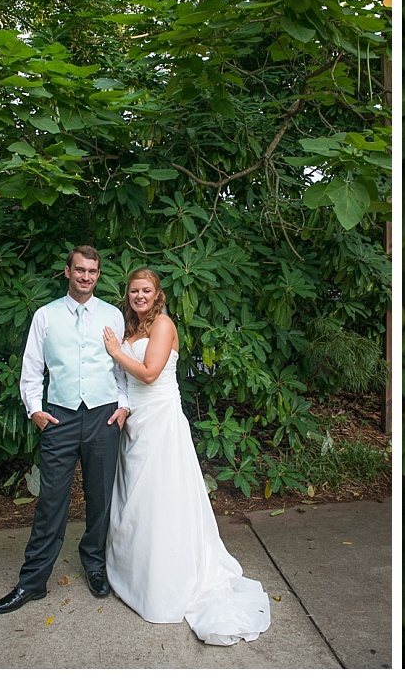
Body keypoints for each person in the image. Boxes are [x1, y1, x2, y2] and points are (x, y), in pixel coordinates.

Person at [101, 268, 271, 646]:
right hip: (135, 424)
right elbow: (125, 381)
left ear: (158, 293)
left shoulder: (162, 325)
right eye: (133, 291)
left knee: (163, 500)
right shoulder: (131, 328)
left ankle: (168, 583)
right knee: (136, 501)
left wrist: (115, 351)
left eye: (146, 290)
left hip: (161, 420)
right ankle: (133, 576)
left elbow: (148, 373)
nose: (139, 296)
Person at [0, 245, 129, 614]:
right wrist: (35, 410)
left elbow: (122, 368)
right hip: (59, 418)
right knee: (51, 502)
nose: (86, 277)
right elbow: (31, 367)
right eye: (80, 270)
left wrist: (124, 405)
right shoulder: (45, 315)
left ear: (99, 275)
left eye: (92, 272)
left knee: (101, 499)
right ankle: (33, 581)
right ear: (67, 271)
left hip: (103, 417)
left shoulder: (113, 315)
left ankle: (94, 565)